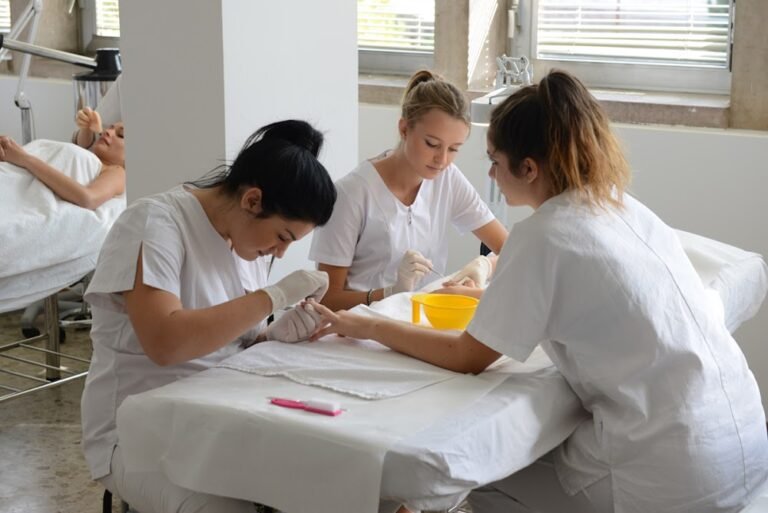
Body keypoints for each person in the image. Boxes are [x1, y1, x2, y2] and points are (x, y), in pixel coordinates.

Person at [310, 71, 768, 513]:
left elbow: (468, 357)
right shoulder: (622, 205)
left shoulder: (544, 233)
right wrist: (476, 296)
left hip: (673, 470)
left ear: (528, 168)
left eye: (492, 160)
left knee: (478, 472)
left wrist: (372, 324)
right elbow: (583, 299)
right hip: (741, 437)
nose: (487, 172)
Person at [80, 120, 336, 513]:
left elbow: (227, 340)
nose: (280, 254)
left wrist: (269, 337)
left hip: (215, 416)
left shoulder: (246, 242)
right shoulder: (155, 224)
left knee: (327, 480)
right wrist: (274, 297)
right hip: (136, 433)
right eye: (283, 238)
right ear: (252, 200)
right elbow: (166, 343)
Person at [309, 70, 508, 311]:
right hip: (357, 329)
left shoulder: (447, 179)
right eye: (432, 144)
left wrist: (484, 265)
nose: (442, 160)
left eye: (454, 149)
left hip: (420, 322)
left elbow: (513, 250)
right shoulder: (351, 195)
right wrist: (391, 293)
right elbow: (326, 300)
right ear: (404, 129)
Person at [0, 107, 125, 210]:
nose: (108, 132)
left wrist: (24, 159)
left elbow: (89, 199)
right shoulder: (91, 156)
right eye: (110, 127)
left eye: (121, 135)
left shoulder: (118, 171)